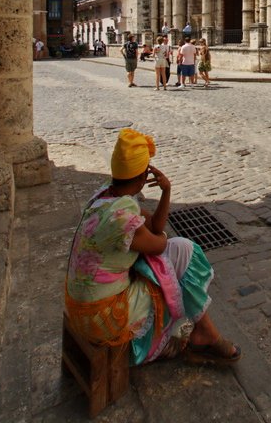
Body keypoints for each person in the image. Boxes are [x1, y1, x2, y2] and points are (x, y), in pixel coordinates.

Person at [65, 128, 241, 366]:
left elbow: (154, 226)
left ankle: (205, 332)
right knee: (184, 253)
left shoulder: (107, 196)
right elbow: (159, 243)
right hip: (102, 318)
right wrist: (158, 235)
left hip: (82, 308)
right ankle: (202, 335)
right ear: (141, 178)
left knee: (174, 252)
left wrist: (166, 191)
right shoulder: (122, 217)